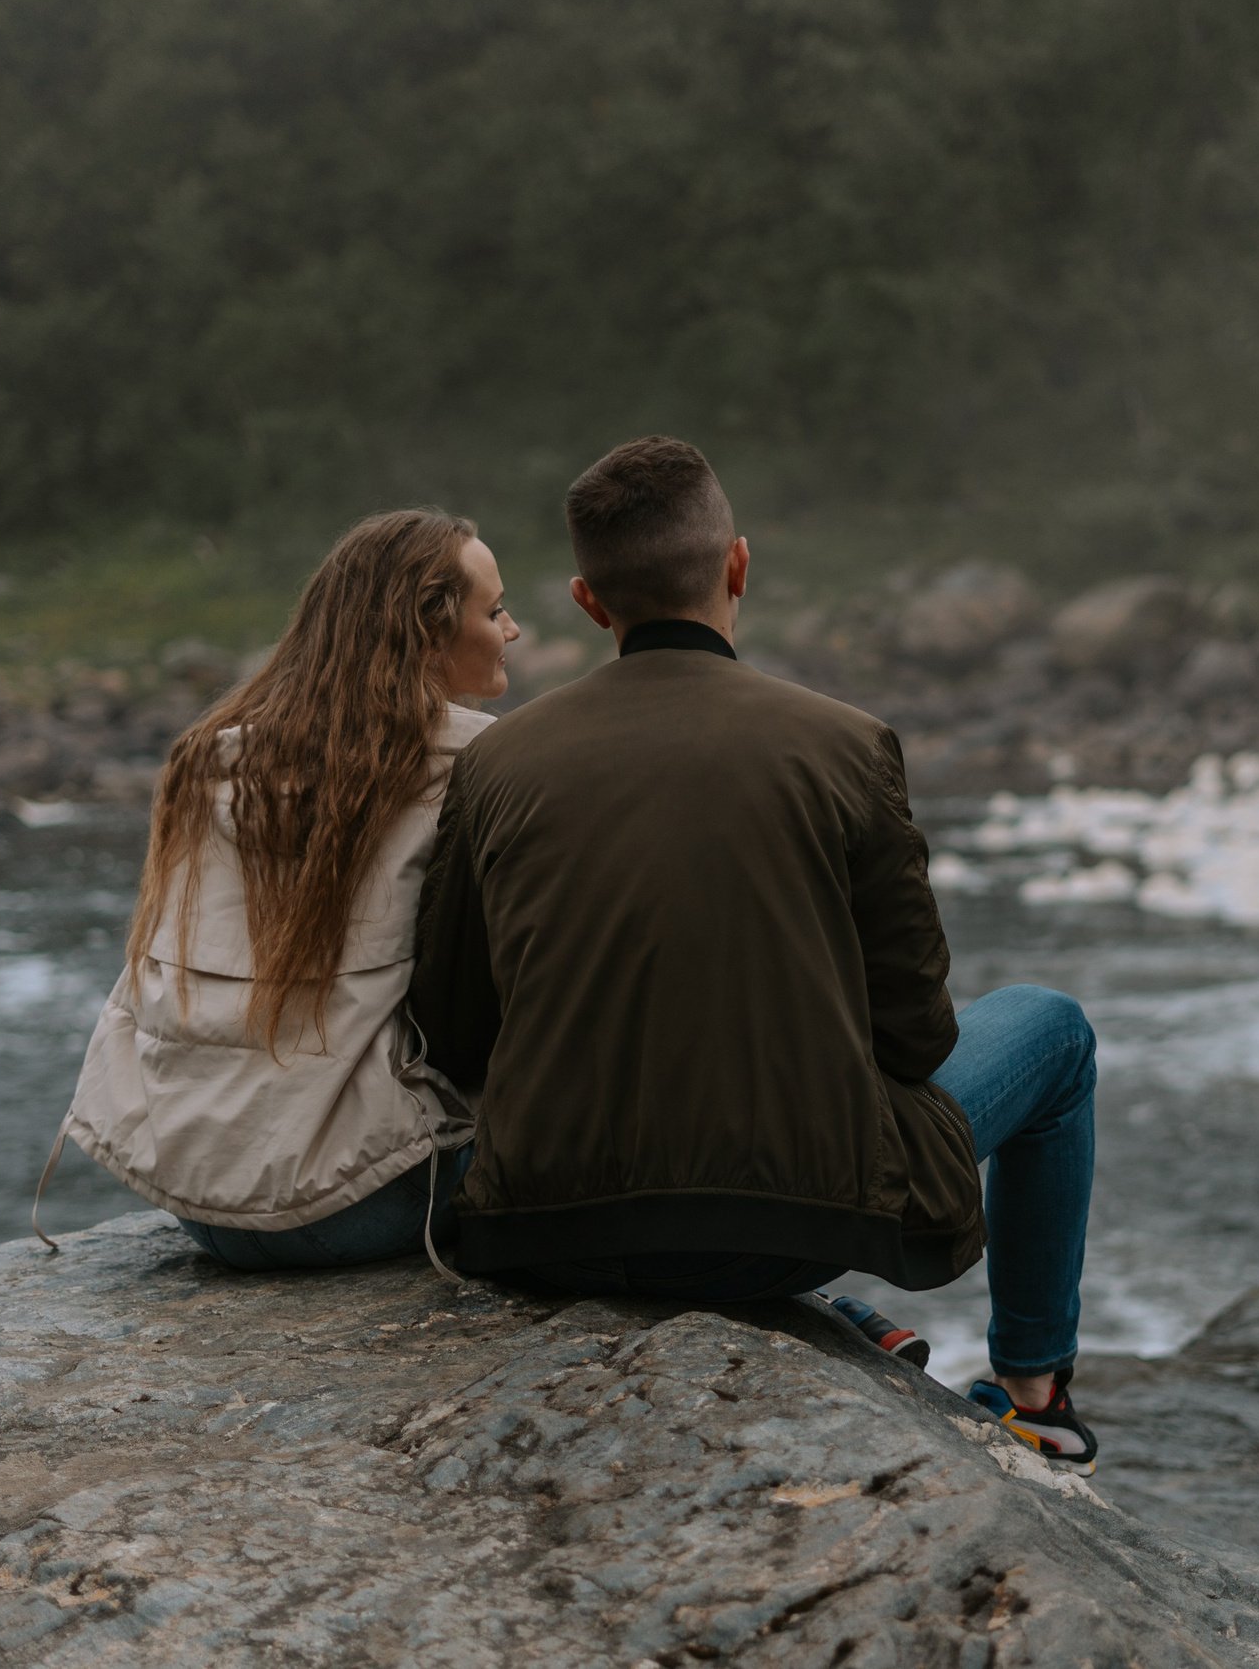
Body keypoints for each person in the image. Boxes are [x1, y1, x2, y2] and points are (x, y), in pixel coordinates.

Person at [409, 437, 1101, 1470]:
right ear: (737, 566)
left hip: (547, 1236)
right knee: (1054, 1028)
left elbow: (451, 1029)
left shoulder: (497, 762)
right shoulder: (846, 745)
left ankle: (845, 1319)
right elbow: (918, 1039)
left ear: (589, 602)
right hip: (788, 1234)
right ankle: (1034, 1391)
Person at [44, 508, 520, 1270]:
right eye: (494, 611)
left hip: (198, 1205)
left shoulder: (210, 761)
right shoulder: (479, 766)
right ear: (429, 635)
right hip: (367, 1201)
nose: (513, 629)